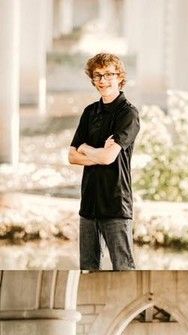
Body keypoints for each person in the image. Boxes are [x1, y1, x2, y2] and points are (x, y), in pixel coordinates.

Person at [67, 53, 141, 271]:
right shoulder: (90, 112)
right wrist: (97, 153)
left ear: (119, 77)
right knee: (87, 270)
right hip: (88, 204)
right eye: (97, 75)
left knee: (123, 270)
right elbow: (71, 156)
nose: (102, 80)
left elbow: (109, 158)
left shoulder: (128, 113)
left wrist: (86, 148)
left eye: (109, 74)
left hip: (115, 203)